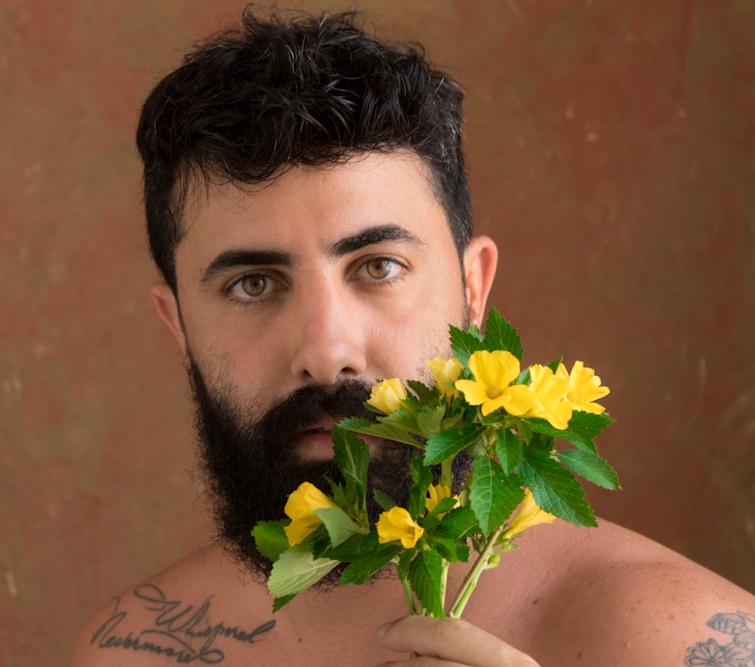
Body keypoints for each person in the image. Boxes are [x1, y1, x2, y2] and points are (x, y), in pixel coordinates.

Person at [73, 8, 755, 665]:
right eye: (253, 284)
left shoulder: (692, 644)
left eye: (378, 267)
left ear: (474, 292)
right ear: (179, 325)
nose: (327, 351)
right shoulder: (130, 651)